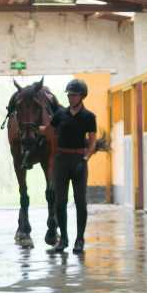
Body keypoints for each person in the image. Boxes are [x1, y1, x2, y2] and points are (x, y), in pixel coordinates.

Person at [48, 79, 97, 253]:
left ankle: (80, 240)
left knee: (81, 202)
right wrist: (28, 126)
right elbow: (47, 130)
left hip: (78, 160)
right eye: (69, 94)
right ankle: (64, 239)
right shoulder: (60, 114)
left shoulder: (89, 117)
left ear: (82, 96)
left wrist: (85, 160)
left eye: (74, 94)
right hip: (61, 159)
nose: (70, 97)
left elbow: (92, 142)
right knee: (60, 202)